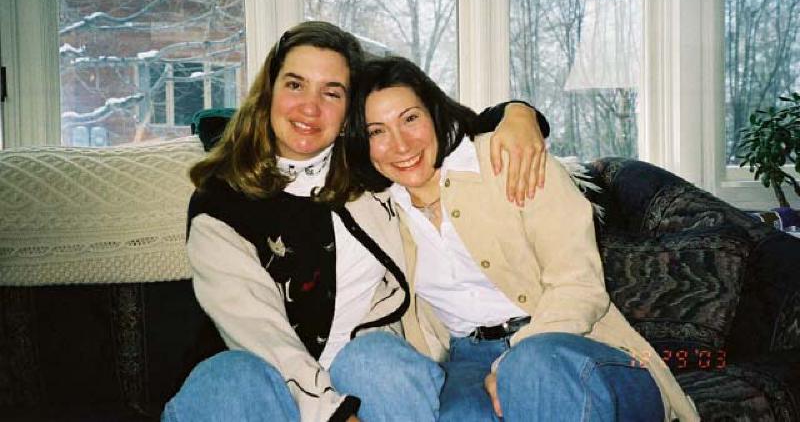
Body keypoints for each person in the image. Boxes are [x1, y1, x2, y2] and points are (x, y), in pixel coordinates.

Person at [162, 21, 550, 422]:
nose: (310, 108)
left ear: (350, 110)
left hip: (368, 377)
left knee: (375, 361)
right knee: (226, 380)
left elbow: (448, 128)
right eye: (295, 85)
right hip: (267, 387)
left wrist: (519, 115)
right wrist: (333, 413)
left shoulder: (376, 165)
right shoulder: (221, 202)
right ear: (268, 93)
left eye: (331, 92)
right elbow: (260, 334)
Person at [344, 55, 700, 422]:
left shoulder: (509, 159)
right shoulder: (377, 212)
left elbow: (579, 284)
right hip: (466, 361)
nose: (400, 145)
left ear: (433, 113)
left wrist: (515, 358)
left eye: (410, 118)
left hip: (570, 343)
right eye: (377, 131)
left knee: (534, 368)